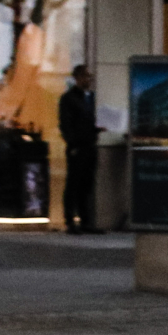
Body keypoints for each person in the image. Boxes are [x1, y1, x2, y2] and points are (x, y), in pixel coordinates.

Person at [58, 65, 100, 233]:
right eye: (85, 77)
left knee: (87, 185)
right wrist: (72, 144)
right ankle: (70, 221)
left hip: (90, 145)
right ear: (77, 78)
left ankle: (86, 221)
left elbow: (91, 122)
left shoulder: (91, 98)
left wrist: (99, 128)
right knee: (73, 184)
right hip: (77, 147)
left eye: (90, 77)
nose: (88, 80)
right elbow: (65, 124)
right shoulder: (69, 99)